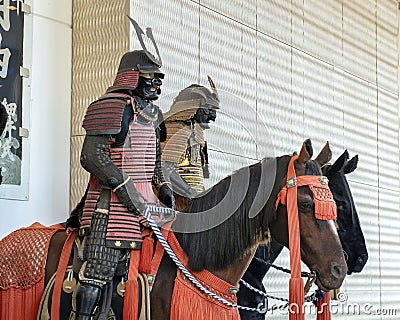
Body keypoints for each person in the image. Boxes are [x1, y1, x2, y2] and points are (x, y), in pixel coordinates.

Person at [70, 48, 174, 319]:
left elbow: (154, 160)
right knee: (98, 269)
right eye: (151, 77)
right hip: (110, 206)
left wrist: (162, 186)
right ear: (131, 76)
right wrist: (124, 186)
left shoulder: (152, 114)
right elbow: (92, 156)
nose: (157, 84)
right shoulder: (111, 106)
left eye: (160, 78)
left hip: (146, 206)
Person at [161, 79, 219, 197]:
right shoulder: (177, 129)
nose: (213, 116)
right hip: (174, 201)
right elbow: (164, 168)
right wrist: (190, 193)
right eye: (208, 109)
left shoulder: (194, 132)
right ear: (191, 107)